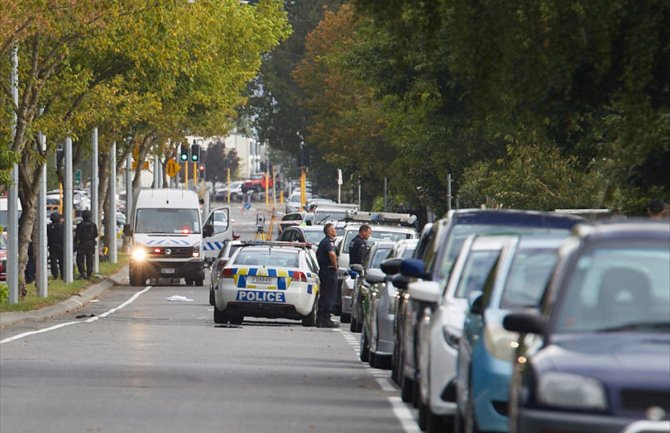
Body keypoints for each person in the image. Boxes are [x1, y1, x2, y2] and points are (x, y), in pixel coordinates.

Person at [316, 223, 339, 328]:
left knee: (324, 295)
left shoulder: (323, 242)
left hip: (323, 271)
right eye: (334, 229)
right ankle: (326, 319)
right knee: (329, 295)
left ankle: (320, 319)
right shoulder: (329, 242)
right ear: (330, 231)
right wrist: (335, 266)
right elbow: (332, 254)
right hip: (329, 271)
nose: (335, 231)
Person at [75, 210, 98, 279]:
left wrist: (76, 242)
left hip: (82, 243)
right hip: (91, 243)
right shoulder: (93, 225)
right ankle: (89, 273)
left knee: (80, 259)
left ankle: (82, 272)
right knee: (89, 259)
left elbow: (77, 235)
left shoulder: (80, 225)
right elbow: (96, 234)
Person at [47, 212, 64, 279]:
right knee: (62, 261)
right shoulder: (62, 226)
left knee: (53, 261)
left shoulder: (49, 227)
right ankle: (63, 274)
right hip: (61, 246)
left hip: (52, 246)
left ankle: (55, 275)